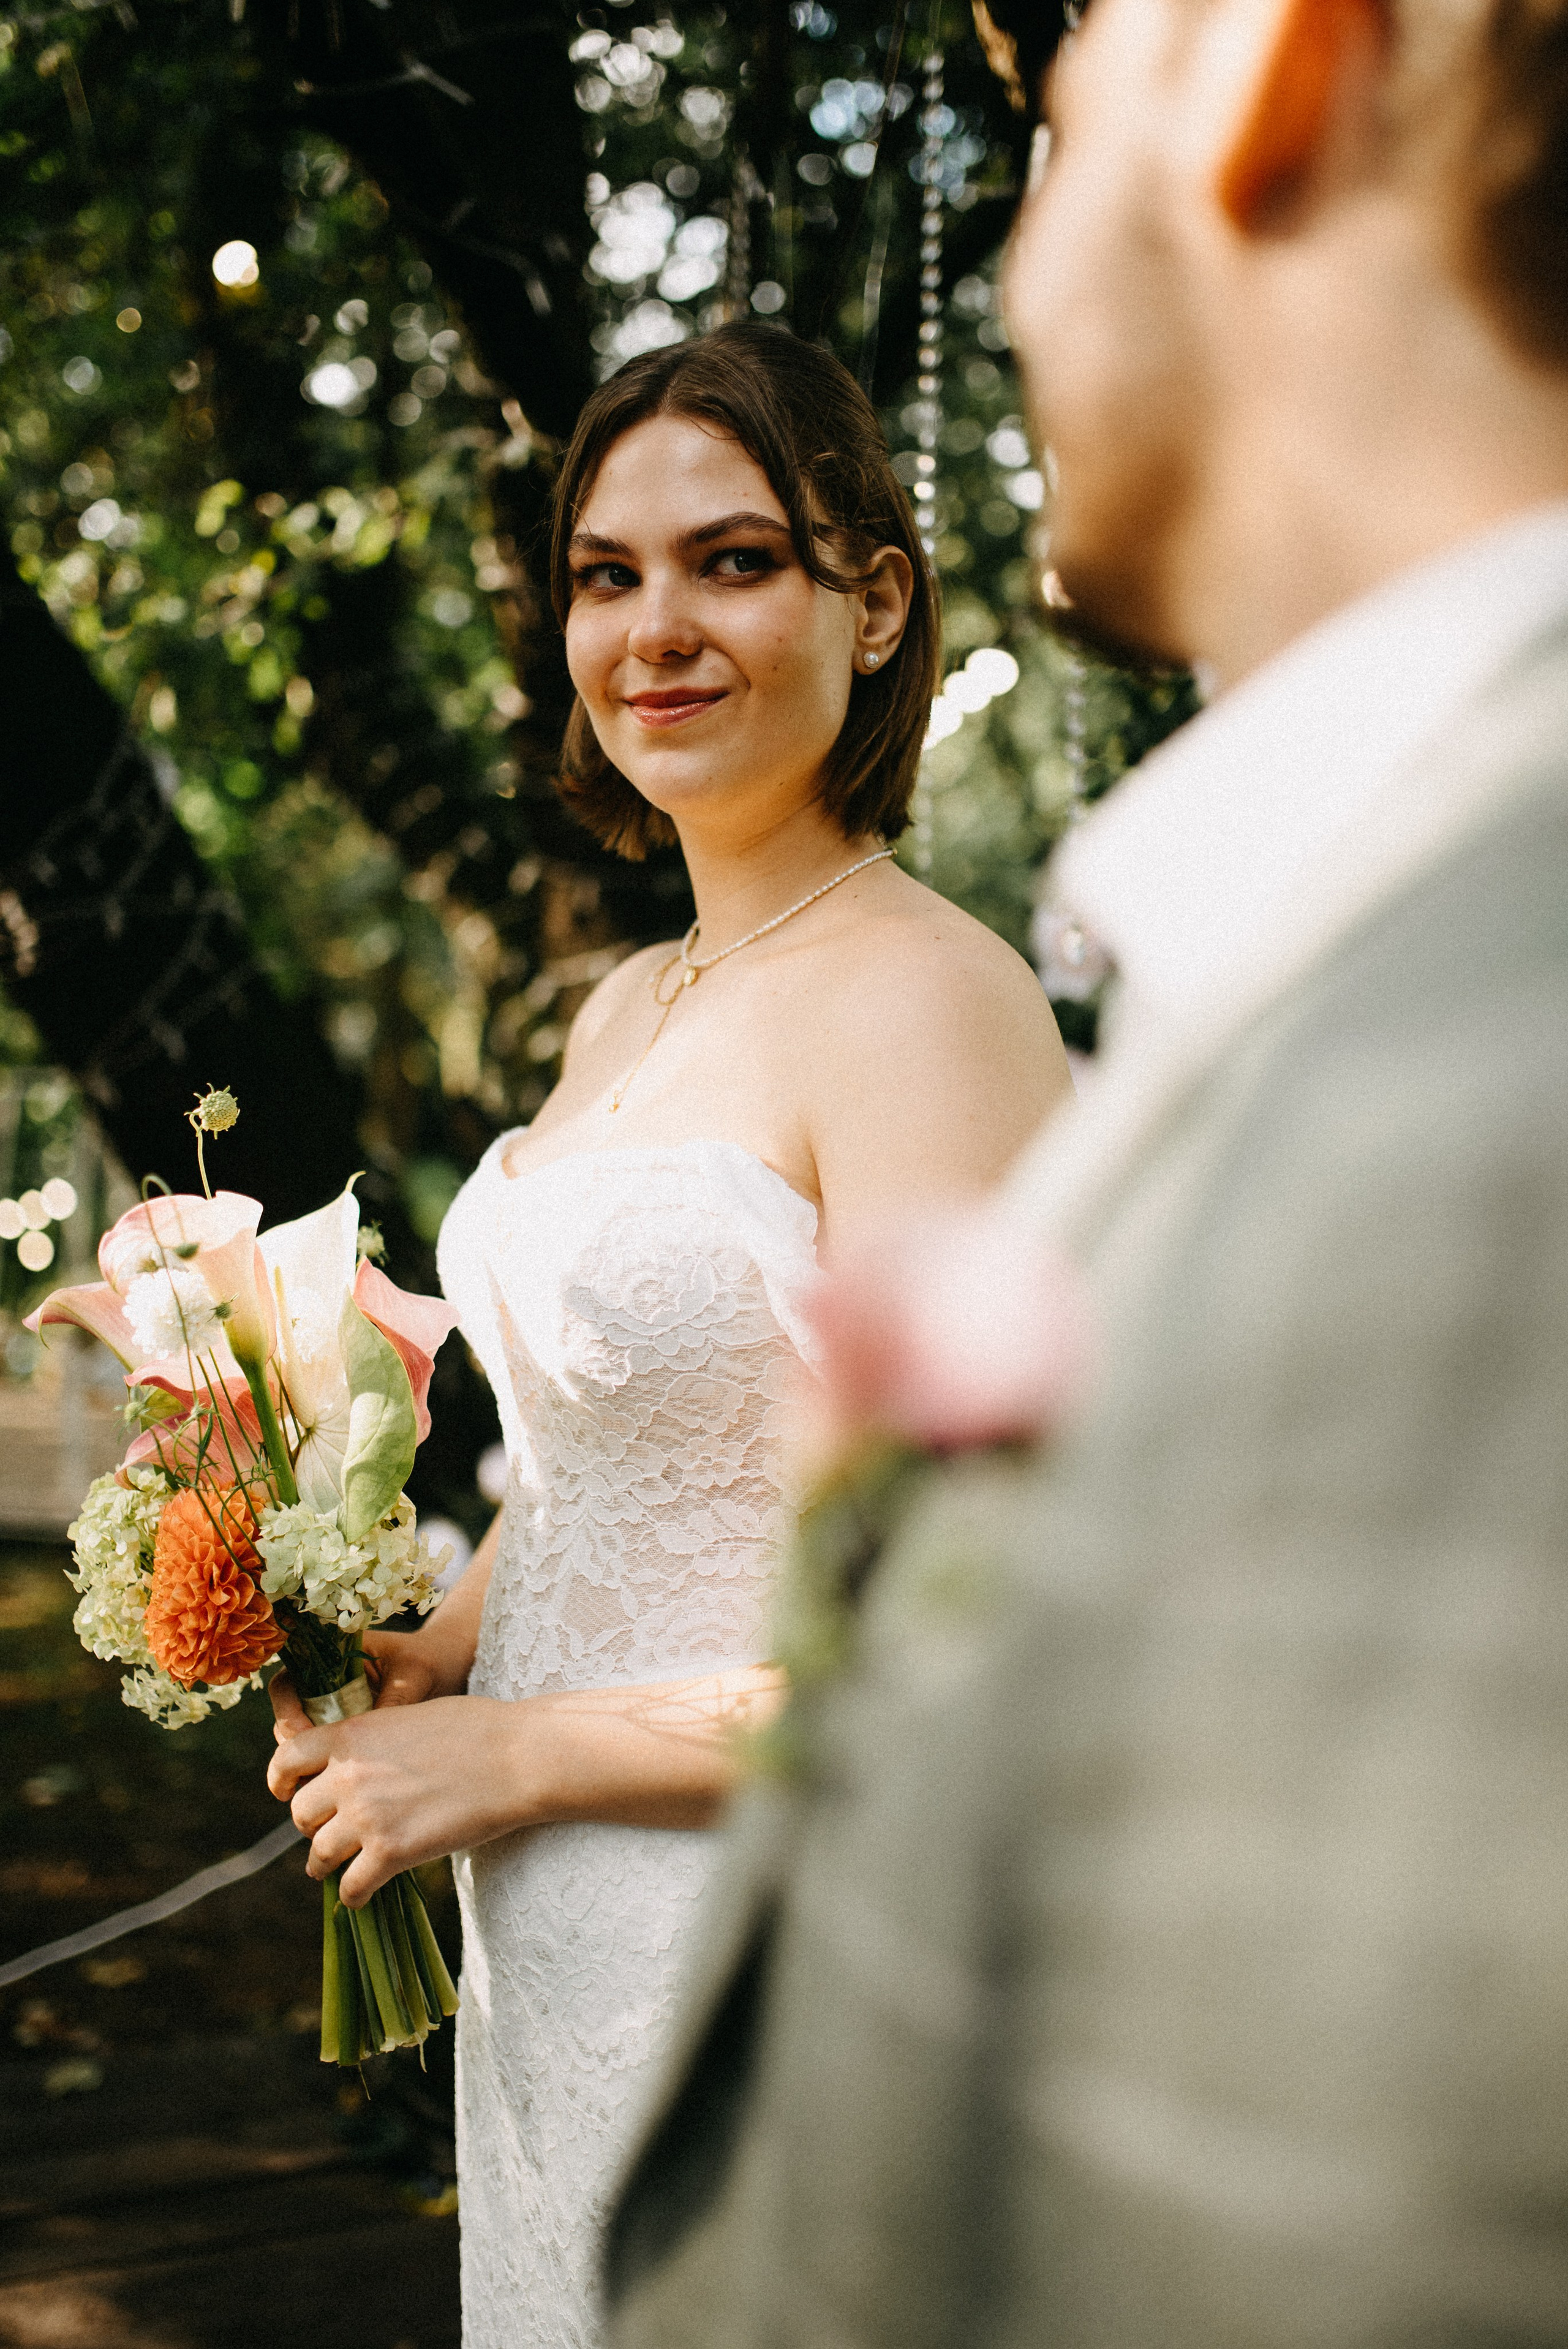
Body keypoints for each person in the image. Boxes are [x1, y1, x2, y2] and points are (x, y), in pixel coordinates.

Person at [602, 4, 1568, 2345]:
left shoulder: (1494, 1077)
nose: (1024, 249)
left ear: (1263, 55)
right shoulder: (1333, 956)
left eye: (1053, 106)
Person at [266, 319, 1070, 2349]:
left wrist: (512, 1750)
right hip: (552, 1939)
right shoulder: (627, 1001)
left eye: (734, 559)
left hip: (768, 1944)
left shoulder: (934, 1008)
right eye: (606, 576)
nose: (656, 628)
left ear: (875, 600)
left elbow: (951, 1632)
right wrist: (435, 1645)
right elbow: (614, 1450)